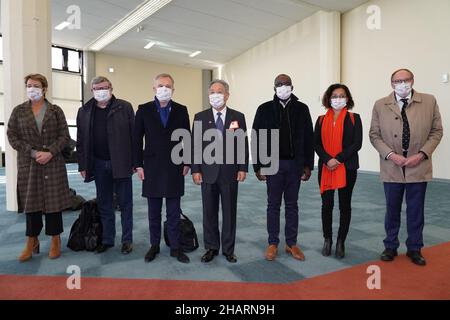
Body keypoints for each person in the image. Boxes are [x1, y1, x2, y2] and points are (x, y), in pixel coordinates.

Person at [369, 69, 443, 266]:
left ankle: (415, 248)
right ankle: (390, 245)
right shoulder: (380, 104)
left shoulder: (429, 101)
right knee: (392, 209)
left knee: (416, 210)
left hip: (418, 165)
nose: (401, 84)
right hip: (392, 166)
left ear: (412, 80)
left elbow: (437, 131)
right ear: (391, 83)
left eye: (405, 80)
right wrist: (391, 155)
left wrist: (421, 154)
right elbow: (374, 135)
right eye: (397, 81)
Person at [7, 73, 71, 262]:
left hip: (53, 162)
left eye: (35, 85)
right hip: (29, 164)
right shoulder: (19, 111)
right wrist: (33, 152)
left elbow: (64, 136)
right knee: (31, 204)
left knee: (53, 204)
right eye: (28, 85)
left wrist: (50, 152)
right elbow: (12, 136)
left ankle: (55, 239)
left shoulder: (55, 110)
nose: (31, 88)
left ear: (44, 89)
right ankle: (31, 240)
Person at [252, 74, 314, 262]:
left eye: (286, 84)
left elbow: (309, 138)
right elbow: (257, 138)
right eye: (279, 84)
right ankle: (272, 243)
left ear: (292, 87)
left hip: (294, 165)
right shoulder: (264, 109)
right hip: (272, 165)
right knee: (273, 205)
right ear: (274, 88)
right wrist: (258, 166)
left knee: (292, 205)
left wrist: (308, 165)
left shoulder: (302, 109)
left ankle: (291, 243)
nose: (282, 87)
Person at [134, 74, 191, 264]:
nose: (164, 88)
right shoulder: (144, 110)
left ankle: (175, 247)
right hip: (151, 167)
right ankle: (154, 245)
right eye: (160, 85)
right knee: (154, 211)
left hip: (175, 166)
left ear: (173, 90)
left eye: (168, 86)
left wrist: (188, 162)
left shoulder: (181, 110)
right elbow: (136, 139)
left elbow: (187, 138)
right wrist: (138, 164)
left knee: (173, 211)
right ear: (154, 89)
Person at [191, 79, 249, 263]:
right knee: (209, 212)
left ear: (227, 95)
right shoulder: (200, 117)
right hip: (207, 172)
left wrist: (242, 167)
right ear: (209, 95)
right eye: (212, 92)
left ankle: (228, 249)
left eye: (220, 91)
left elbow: (242, 144)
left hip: (230, 172)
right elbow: (195, 145)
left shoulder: (237, 117)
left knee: (229, 212)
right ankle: (211, 247)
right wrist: (195, 169)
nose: (216, 95)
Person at [77, 76, 135, 254]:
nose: (101, 91)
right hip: (98, 164)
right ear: (92, 91)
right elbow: (81, 140)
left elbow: (134, 136)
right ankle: (108, 239)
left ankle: (127, 240)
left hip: (122, 162)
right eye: (97, 88)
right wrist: (82, 165)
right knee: (105, 204)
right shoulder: (85, 110)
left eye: (104, 87)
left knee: (125, 203)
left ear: (111, 88)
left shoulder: (124, 107)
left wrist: (135, 162)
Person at [314, 84, 362, 259]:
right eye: (334, 96)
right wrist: (328, 159)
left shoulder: (354, 118)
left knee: (344, 206)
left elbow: (357, 143)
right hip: (326, 167)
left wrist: (338, 159)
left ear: (347, 99)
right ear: (328, 98)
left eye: (342, 95)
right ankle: (328, 239)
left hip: (347, 167)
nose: (338, 99)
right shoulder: (320, 120)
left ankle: (341, 241)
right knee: (326, 205)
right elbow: (316, 143)